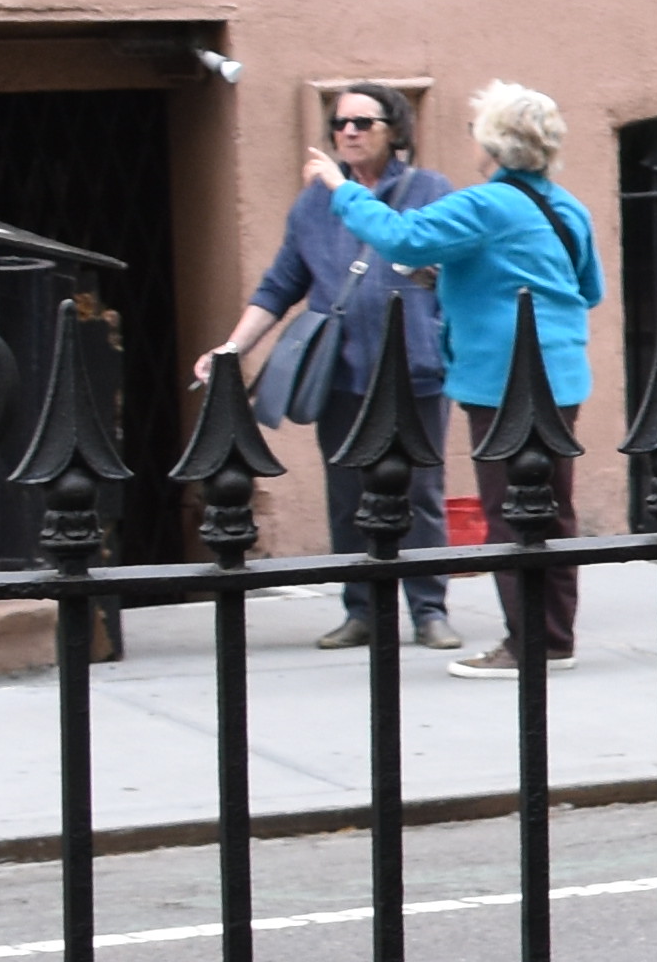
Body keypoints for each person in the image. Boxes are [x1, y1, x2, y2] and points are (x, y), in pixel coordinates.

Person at [329, 80, 612, 670]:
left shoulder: (484, 203)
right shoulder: (566, 207)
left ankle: (529, 644)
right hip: (560, 379)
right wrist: (456, 280)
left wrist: (341, 189)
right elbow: (586, 290)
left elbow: (399, 236)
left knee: (510, 512)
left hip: (501, 382)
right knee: (552, 511)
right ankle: (555, 637)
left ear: (494, 143)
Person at [196, 82, 454, 650]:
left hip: (414, 369)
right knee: (347, 495)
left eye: (364, 122)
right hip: (340, 373)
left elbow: (446, 271)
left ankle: (429, 608)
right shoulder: (313, 202)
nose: (350, 133)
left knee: (421, 492)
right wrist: (232, 348)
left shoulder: (429, 191)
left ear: (395, 130)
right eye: (341, 124)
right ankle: (362, 609)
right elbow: (280, 285)